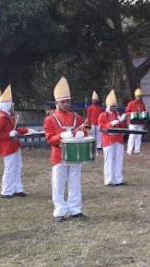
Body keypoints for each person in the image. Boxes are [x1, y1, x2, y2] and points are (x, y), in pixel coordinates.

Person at [43, 77, 88, 222]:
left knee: (75, 183)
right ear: (56, 103)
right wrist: (62, 135)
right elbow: (50, 139)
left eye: (68, 101)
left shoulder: (77, 117)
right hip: (58, 155)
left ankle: (75, 210)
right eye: (63, 101)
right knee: (58, 184)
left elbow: (84, 132)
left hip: (75, 154)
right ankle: (59, 211)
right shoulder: (49, 119)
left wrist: (82, 133)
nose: (66, 104)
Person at [0, 85, 34, 198]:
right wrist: (8, 135)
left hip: (14, 145)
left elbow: (14, 130)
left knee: (17, 167)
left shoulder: (8, 116)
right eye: (11, 104)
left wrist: (26, 130)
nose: (13, 106)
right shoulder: (2, 118)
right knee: (10, 169)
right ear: (6, 105)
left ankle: (17, 188)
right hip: (7, 147)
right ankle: (6, 191)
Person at [98, 90, 127, 186]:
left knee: (119, 160)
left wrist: (122, 120)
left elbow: (121, 126)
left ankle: (118, 179)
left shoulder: (117, 114)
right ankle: (109, 180)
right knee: (109, 161)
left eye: (115, 106)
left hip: (118, 140)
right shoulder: (103, 115)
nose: (114, 108)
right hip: (109, 140)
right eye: (112, 106)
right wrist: (110, 124)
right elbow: (101, 127)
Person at [126, 88, 146, 155]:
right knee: (132, 136)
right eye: (138, 96)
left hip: (140, 122)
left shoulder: (142, 104)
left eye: (140, 96)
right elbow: (127, 112)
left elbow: (144, 112)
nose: (139, 98)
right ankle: (129, 150)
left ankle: (137, 150)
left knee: (139, 136)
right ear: (135, 96)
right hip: (133, 122)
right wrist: (132, 114)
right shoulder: (131, 104)